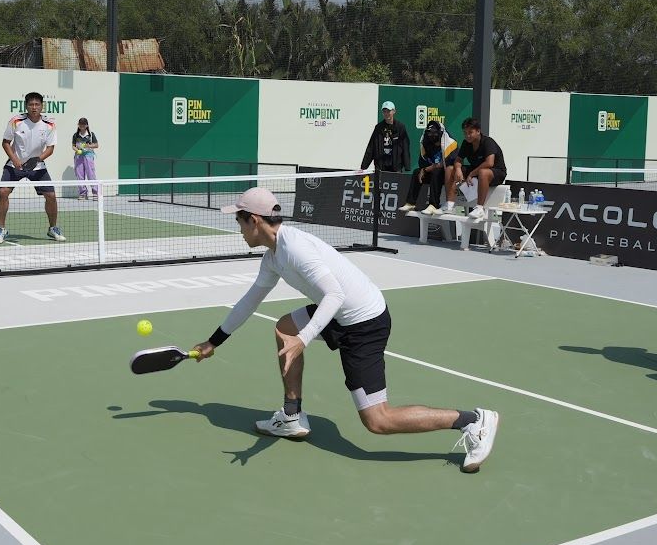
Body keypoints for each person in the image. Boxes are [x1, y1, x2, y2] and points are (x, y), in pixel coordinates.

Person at [190, 187, 501, 473]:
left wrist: (304, 338)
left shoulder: (295, 248)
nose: (239, 229)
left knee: (378, 420)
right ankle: (291, 416)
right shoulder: (273, 256)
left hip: (365, 323)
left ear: (254, 220)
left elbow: (335, 294)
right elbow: (250, 301)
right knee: (285, 328)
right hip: (339, 314)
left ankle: (473, 421)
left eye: (240, 222)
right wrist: (213, 342)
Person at [0, 92, 65, 243]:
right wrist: (15, 159)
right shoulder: (16, 121)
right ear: (26, 106)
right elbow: (5, 143)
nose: (34, 107)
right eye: (31, 104)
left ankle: (53, 228)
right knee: (3, 192)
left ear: (42, 106)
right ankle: (1, 229)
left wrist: (37, 159)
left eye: (37, 104)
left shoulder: (49, 124)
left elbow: (50, 148)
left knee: (51, 196)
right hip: (14, 165)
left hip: (37, 166)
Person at [446, 117, 506, 221]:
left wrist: (471, 174)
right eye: (465, 133)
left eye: (470, 132)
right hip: (476, 171)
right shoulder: (466, 143)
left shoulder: (488, 142)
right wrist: (458, 169)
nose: (467, 136)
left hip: (496, 172)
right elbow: (458, 160)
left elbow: (489, 163)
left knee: (483, 172)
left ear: (478, 131)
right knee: (450, 169)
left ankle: (479, 208)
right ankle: (449, 205)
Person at [399, 119, 457, 215]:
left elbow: (448, 163)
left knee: (436, 172)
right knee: (417, 172)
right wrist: (424, 169)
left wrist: (429, 168)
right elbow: (423, 162)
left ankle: (433, 205)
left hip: (447, 176)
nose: (432, 136)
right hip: (433, 173)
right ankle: (411, 203)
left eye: (435, 133)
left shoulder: (451, 144)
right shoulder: (426, 144)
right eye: (430, 133)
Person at [360, 101, 410, 174]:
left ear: (394, 111)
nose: (386, 113)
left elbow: (405, 146)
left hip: (395, 166)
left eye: (388, 111)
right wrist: (363, 167)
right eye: (384, 111)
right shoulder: (378, 127)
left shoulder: (400, 127)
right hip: (381, 166)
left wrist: (407, 166)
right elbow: (371, 147)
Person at [71, 117, 100, 199]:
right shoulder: (75, 135)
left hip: (88, 155)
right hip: (79, 156)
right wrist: (77, 150)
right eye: (80, 124)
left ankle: (95, 193)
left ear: (87, 125)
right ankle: (83, 193)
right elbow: (73, 146)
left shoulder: (91, 134)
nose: (82, 126)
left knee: (91, 174)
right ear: (78, 125)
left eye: (84, 124)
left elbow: (96, 145)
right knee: (79, 175)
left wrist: (89, 146)